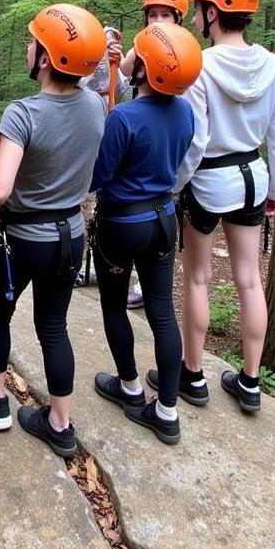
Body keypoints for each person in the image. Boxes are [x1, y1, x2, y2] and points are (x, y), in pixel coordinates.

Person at [0, 5, 107, 458]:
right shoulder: (95, 105)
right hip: (70, 234)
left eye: (33, 41)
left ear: (47, 59)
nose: (26, 46)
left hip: (23, 239)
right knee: (54, 326)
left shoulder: (23, 113)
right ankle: (60, 422)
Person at [170, 0, 275, 415]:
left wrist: (174, 186)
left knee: (198, 278)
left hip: (208, 181)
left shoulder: (200, 65)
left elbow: (195, 140)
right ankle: (251, 381)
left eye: (200, 7)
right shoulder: (273, 65)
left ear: (212, 12)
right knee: (249, 280)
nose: (197, 15)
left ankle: (193, 374)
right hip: (253, 180)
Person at [90, 23, 201, 444]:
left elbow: (100, 177)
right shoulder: (186, 112)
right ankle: (167, 410)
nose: (129, 58)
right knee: (162, 312)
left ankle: (131, 385)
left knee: (115, 308)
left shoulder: (123, 117)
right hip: (164, 220)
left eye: (136, 54)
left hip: (122, 223)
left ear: (147, 71)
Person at [117, 0, 191, 309]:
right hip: (143, 144)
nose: (159, 21)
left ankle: (145, 285)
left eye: (166, 15)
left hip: (168, 152)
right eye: (153, 15)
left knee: (157, 220)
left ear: (179, 19)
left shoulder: (186, 54)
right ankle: (134, 277)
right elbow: (121, 78)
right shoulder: (142, 48)